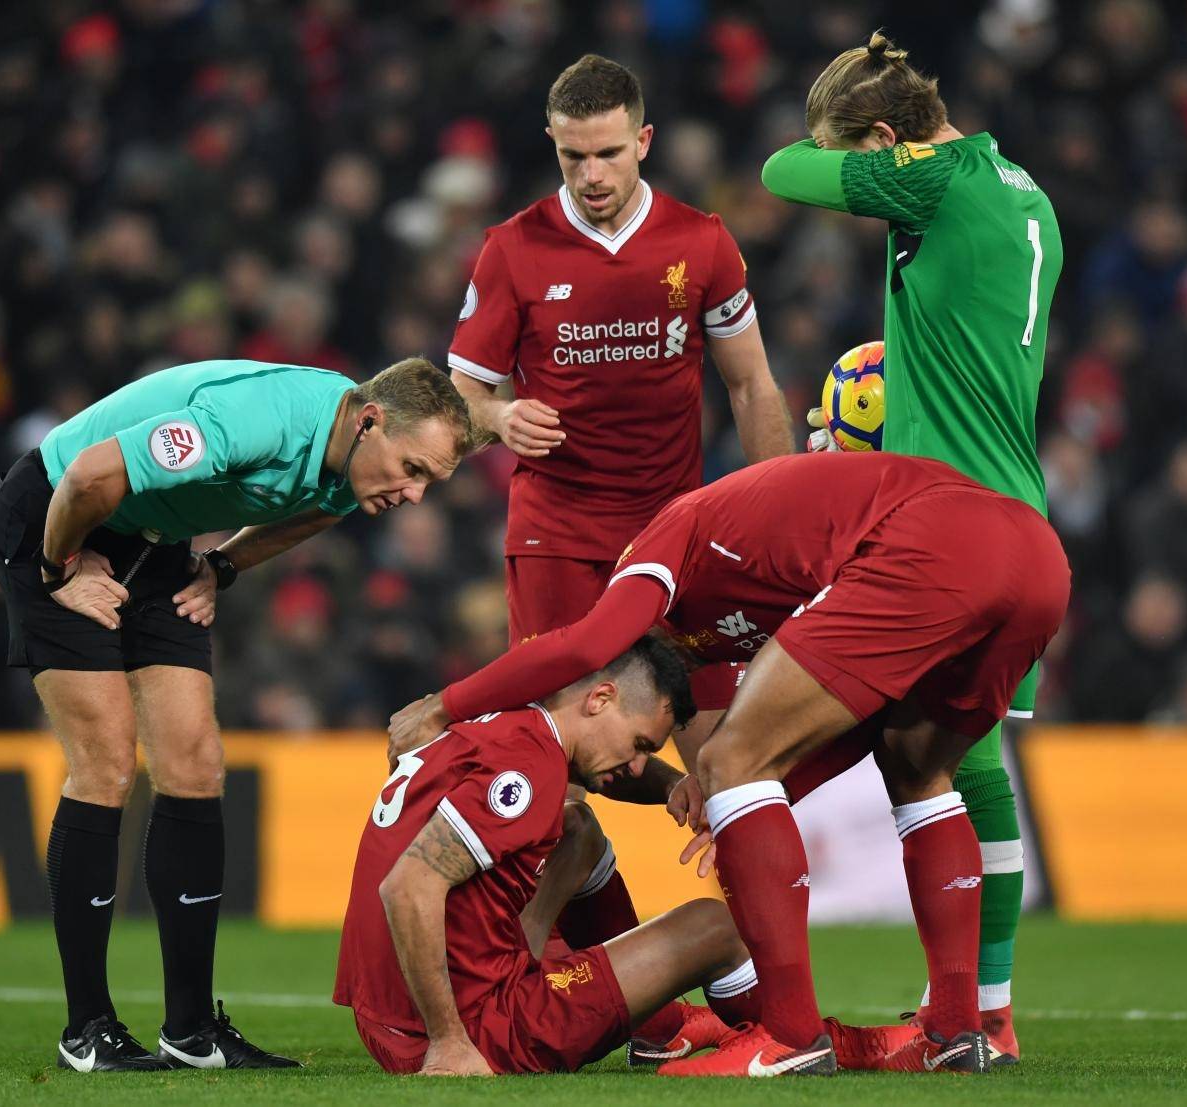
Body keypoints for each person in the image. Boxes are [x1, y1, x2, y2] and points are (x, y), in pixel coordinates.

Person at [391, 451, 1071, 1075]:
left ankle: (790, 1038)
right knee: (917, 769)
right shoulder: (759, 603)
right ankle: (954, 1031)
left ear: (608, 691)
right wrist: (733, 793)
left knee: (734, 758)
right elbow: (859, 726)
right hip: (1037, 560)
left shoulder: (660, 546)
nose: (630, 768)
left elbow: (585, 646)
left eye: (638, 748)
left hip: (936, 542)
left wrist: (448, 703)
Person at [0, 356, 469, 1072]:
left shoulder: (353, 460)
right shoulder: (257, 420)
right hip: (57, 516)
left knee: (196, 766)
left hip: (154, 542)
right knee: (108, 765)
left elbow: (309, 515)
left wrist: (224, 566)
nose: (415, 493)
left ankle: (192, 1029)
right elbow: (88, 475)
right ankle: (87, 1027)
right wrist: (61, 569)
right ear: (369, 421)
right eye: (412, 467)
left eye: (429, 480)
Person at [446, 50, 793, 978]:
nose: (591, 177)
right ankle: (535, 977)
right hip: (557, 535)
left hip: (680, 542)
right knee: (550, 773)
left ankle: (772, 1003)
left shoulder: (702, 242)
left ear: (642, 141)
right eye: (572, 159)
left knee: (730, 765)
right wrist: (496, 416)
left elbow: (751, 383)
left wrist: (787, 522)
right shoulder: (512, 249)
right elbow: (461, 393)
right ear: (552, 149)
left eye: (607, 154)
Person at [763, 30, 1065, 1061]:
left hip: (951, 525)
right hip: (1014, 509)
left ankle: (764, 990)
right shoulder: (1021, 190)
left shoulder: (934, 181)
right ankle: (981, 1010)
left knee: (809, 744)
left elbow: (781, 170)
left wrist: (848, 140)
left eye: (870, 159)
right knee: (959, 764)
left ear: (893, 142)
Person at [339, 636, 765, 1076]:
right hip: (468, 1032)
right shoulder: (529, 765)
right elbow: (407, 887)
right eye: (640, 745)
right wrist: (449, 1043)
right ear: (600, 698)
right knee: (715, 926)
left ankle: (649, 1026)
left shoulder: (501, 723)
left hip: (385, 1019)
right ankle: (779, 1040)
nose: (638, 765)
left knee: (578, 831)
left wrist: (671, 786)